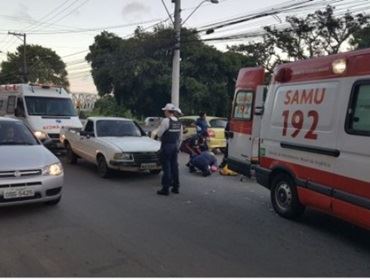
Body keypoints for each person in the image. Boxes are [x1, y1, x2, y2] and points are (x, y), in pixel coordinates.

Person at [156, 103, 182, 196]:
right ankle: (176, 187)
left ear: (167, 111)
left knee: (167, 168)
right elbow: (180, 137)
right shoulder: (178, 122)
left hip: (166, 146)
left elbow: (159, 134)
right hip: (175, 146)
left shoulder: (166, 121)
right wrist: (177, 147)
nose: (164, 113)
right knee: (174, 167)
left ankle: (165, 189)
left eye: (165, 111)